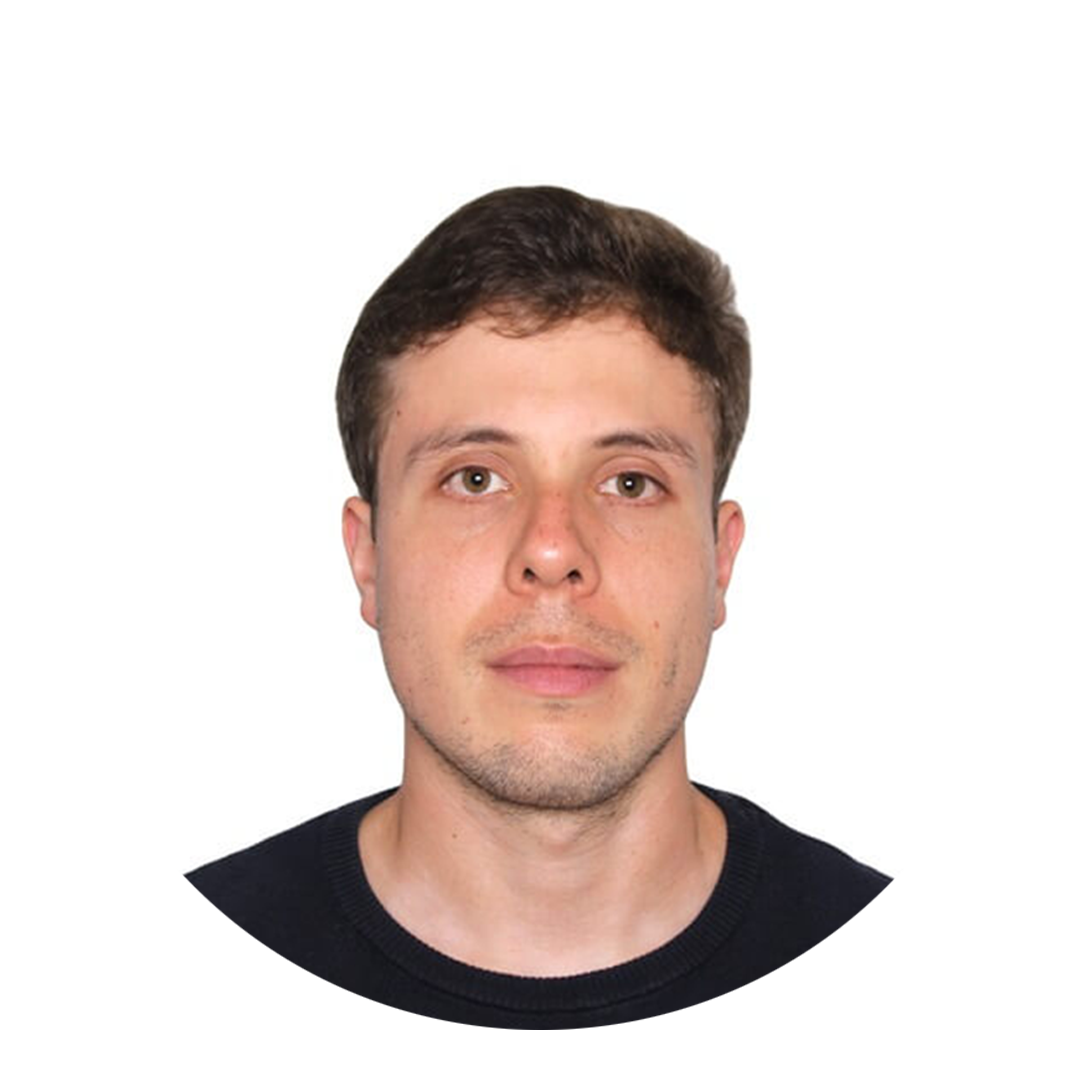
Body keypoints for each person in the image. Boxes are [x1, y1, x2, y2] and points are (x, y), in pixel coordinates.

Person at [183, 185, 893, 1029]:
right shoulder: (184, 975)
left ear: (720, 561)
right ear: (368, 558)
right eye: (475, 478)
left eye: (630, 483)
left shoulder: (898, 976)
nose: (553, 551)